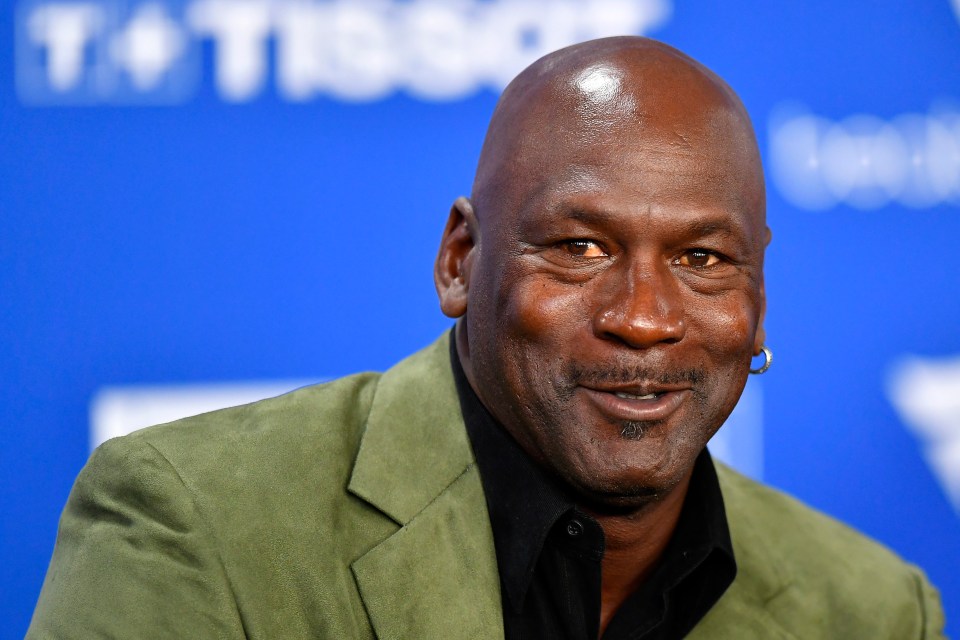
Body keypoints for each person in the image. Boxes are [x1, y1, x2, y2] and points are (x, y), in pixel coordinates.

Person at [28, 37, 945, 639]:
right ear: (461, 260)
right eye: (581, 248)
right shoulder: (195, 523)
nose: (646, 316)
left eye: (704, 259)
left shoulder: (869, 608)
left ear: (759, 292)